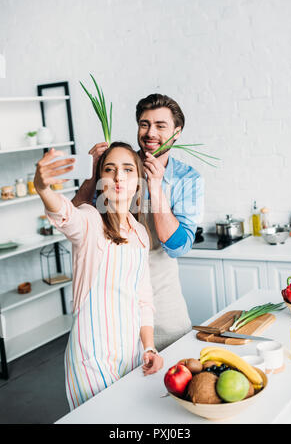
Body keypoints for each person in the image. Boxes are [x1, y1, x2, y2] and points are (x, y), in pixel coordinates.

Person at [34, 142, 164, 411]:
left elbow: (143, 298)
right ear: (100, 180)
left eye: (128, 169)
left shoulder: (140, 232)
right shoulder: (90, 220)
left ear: (138, 182)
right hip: (91, 357)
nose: (119, 177)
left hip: (130, 354)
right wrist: (42, 187)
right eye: (110, 169)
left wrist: (149, 347)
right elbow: (65, 215)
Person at [72, 94, 204, 351]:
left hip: (161, 297)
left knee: (172, 366)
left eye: (160, 125)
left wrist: (156, 187)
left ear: (177, 132)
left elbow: (178, 247)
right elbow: (77, 220)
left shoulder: (187, 179)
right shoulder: (118, 168)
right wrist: (92, 175)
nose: (150, 132)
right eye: (144, 124)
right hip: (113, 298)